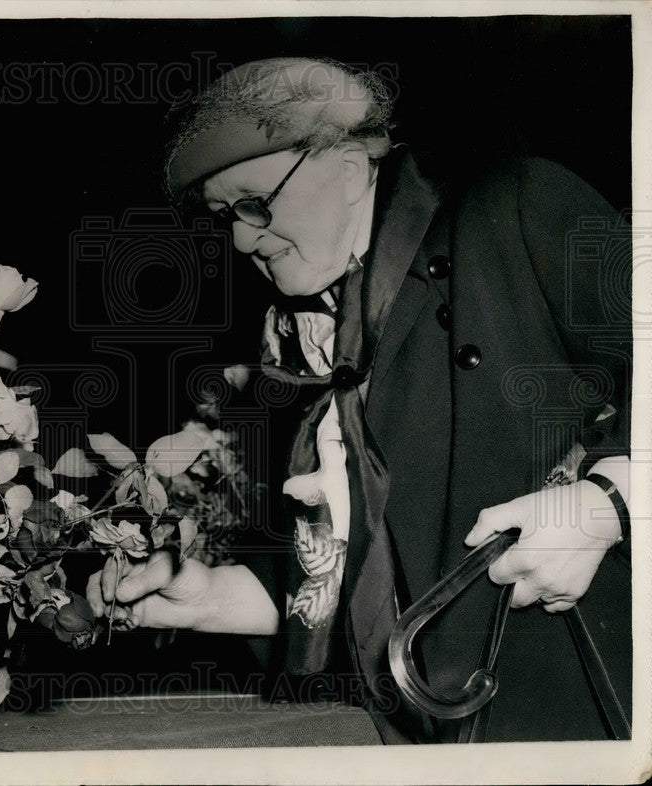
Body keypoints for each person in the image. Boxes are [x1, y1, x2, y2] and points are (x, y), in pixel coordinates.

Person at [86, 57, 632, 743]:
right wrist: (216, 599)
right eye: (223, 216)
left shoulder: (515, 207)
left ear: (347, 170)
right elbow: (377, 571)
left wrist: (610, 503)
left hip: (586, 706)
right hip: (435, 729)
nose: (241, 238)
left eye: (255, 203)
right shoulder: (317, 342)